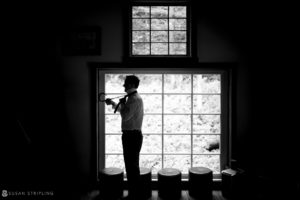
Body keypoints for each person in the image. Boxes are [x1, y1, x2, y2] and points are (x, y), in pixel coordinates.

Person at [105, 75, 144, 200]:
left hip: (131, 136)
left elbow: (125, 116)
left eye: (126, 83)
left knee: (131, 166)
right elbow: (127, 111)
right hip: (131, 135)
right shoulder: (132, 98)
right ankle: (135, 193)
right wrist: (113, 103)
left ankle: (135, 194)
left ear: (132, 85)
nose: (124, 85)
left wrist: (121, 104)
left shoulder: (134, 99)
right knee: (132, 165)